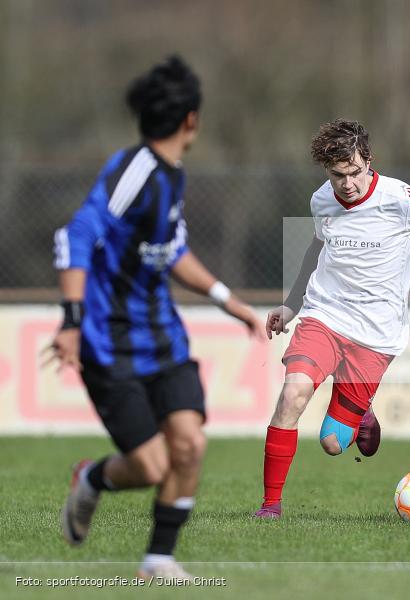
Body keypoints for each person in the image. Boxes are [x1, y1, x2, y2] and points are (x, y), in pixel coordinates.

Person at [49, 56, 264, 580]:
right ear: (192, 119)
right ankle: (92, 479)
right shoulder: (135, 170)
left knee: (190, 444)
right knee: (150, 467)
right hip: (109, 340)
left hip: (162, 336)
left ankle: (158, 561)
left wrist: (227, 300)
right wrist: (72, 321)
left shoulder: (172, 177)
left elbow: (172, 252)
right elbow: (75, 236)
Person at [254, 119, 410, 518]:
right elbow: (317, 249)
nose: (347, 184)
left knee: (331, 442)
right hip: (325, 315)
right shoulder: (321, 200)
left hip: (377, 335)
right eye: (337, 175)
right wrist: (292, 305)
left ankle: (362, 410)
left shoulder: (400, 197)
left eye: (355, 173)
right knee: (293, 394)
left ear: (369, 162)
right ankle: (270, 506)